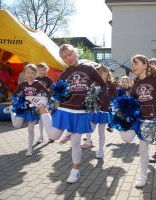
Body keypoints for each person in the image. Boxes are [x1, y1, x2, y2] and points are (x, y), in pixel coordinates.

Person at [33, 44, 108, 184]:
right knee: (53, 135)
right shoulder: (64, 74)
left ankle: (75, 171)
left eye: (69, 54)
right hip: (65, 109)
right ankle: (43, 110)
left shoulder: (89, 69)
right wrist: (58, 96)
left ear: (75, 53)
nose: (68, 58)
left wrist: (97, 99)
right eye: (64, 57)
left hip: (81, 111)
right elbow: (59, 91)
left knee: (75, 142)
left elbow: (103, 86)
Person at [119, 54, 156, 188]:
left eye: (136, 64)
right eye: (132, 64)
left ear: (145, 65)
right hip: (139, 119)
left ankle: (143, 175)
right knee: (126, 137)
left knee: (143, 148)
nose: (133, 66)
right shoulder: (135, 83)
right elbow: (133, 101)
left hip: (152, 120)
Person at [7, 64, 51, 156]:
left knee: (30, 129)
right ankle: (11, 111)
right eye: (28, 73)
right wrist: (14, 102)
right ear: (24, 73)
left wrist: (44, 102)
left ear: (36, 74)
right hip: (23, 107)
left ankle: (29, 148)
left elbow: (48, 93)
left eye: (32, 73)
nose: (30, 75)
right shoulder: (23, 84)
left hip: (33, 109)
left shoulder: (38, 84)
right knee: (16, 125)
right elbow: (15, 94)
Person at [81, 64, 118, 159]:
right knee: (90, 129)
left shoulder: (111, 84)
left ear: (106, 73)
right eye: (98, 73)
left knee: (101, 133)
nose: (99, 74)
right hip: (94, 110)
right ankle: (88, 141)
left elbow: (116, 97)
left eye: (101, 72)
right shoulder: (94, 82)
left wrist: (115, 107)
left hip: (104, 111)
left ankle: (101, 150)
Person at [35, 63, 54, 144]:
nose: (41, 71)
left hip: (48, 101)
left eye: (43, 69)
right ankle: (41, 135)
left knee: (49, 118)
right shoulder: (35, 79)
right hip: (39, 102)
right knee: (41, 119)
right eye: (39, 70)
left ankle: (51, 135)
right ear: (37, 70)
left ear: (46, 70)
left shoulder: (49, 80)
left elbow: (52, 89)